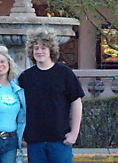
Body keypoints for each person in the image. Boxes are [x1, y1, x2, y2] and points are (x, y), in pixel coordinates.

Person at [18, 28, 84, 163]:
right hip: (35, 142)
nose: (39, 51)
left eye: (43, 48)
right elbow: (19, 107)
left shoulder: (65, 74)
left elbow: (76, 102)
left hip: (60, 141)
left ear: (51, 50)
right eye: (36, 48)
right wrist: (21, 134)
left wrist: (74, 133)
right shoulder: (25, 77)